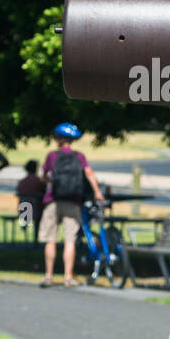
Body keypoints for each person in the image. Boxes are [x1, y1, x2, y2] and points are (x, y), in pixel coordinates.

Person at [39, 122, 103, 287]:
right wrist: (97, 192)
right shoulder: (79, 156)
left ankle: (48, 275)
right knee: (69, 240)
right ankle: (68, 277)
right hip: (73, 202)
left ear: (60, 139)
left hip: (53, 201)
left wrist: (50, 182)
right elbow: (89, 173)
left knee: (50, 240)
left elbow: (43, 176)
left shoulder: (52, 155)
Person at [14, 159, 47, 234]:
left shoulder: (22, 182)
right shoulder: (39, 181)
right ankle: (36, 238)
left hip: (23, 211)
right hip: (36, 211)